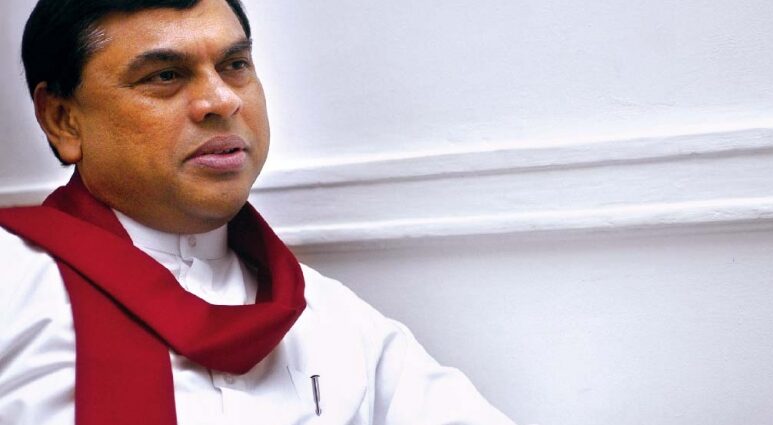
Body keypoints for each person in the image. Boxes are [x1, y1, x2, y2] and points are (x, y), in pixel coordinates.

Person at [0, 1, 519, 424]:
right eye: (165, 75)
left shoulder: (337, 320)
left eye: (234, 66)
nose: (222, 100)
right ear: (63, 120)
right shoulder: (13, 289)